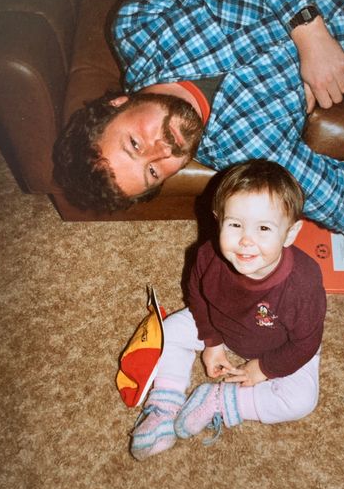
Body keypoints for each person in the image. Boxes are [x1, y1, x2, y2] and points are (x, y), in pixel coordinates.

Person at [53, 0, 344, 235]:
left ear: (118, 104)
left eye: (135, 143)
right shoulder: (249, 152)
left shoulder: (141, 24)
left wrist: (308, 31)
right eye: (153, 172)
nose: (163, 151)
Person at [129, 159, 326, 460]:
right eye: (235, 225)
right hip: (221, 326)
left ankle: (221, 400)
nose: (246, 240)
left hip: (279, 346)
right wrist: (212, 341)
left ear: (289, 233)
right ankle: (164, 404)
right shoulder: (208, 255)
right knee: (166, 332)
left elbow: (306, 342)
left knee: (302, 399)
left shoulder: (303, 283)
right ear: (218, 220)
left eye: (263, 228)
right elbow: (196, 294)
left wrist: (263, 368)